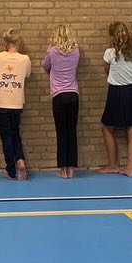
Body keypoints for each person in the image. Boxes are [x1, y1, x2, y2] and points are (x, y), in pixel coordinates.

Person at [99, 22, 132, 177]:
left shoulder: (110, 53)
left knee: (106, 127)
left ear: (112, 36)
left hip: (116, 92)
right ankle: (130, 168)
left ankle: (113, 165)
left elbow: (107, 70)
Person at [0, 28, 31, 180]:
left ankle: (11, 170)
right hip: (16, 104)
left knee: (6, 137)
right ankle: (20, 159)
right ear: (19, 42)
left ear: (6, 42)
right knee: (15, 133)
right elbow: (27, 74)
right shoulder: (25, 59)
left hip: (0, 103)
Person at [43, 24, 80, 178]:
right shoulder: (76, 51)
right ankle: (71, 169)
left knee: (61, 132)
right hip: (73, 94)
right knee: (71, 131)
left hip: (59, 95)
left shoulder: (52, 51)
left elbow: (45, 66)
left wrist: (49, 49)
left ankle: (63, 170)